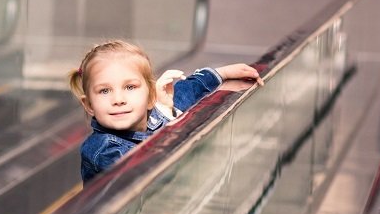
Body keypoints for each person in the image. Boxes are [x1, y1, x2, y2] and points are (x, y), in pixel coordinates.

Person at [68, 40, 261, 184]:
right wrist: (165, 115)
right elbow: (150, 170)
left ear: (151, 96)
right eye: (104, 91)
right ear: (89, 105)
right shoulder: (103, 148)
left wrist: (222, 73)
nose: (118, 99)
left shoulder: (155, 111)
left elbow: (187, 91)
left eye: (130, 87)